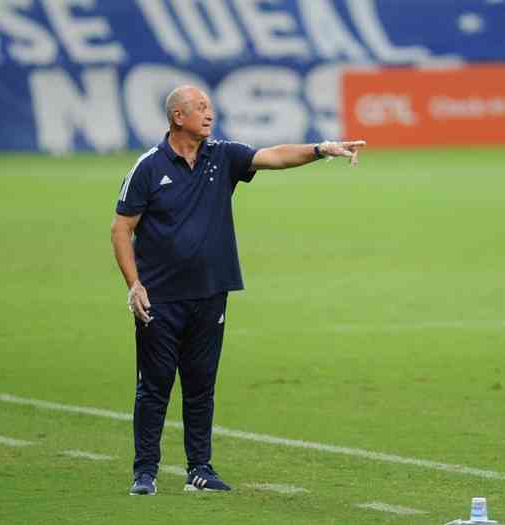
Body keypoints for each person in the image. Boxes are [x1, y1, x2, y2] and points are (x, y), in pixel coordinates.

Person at [111, 85, 365, 496]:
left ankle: (200, 469)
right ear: (178, 117)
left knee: (200, 384)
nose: (209, 113)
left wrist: (321, 149)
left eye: (209, 106)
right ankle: (145, 471)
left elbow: (274, 156)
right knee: (155, 385)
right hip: (159, 297)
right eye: (200, 107)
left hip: (212, 292)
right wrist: (134, 284)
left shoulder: (222, 156)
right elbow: (121, 228)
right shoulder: (148, 167)